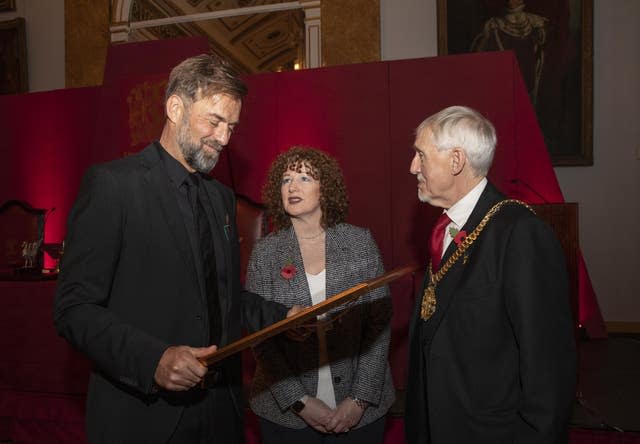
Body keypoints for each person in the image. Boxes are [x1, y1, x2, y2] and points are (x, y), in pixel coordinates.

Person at [53, 54, 298, 444]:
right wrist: (154, 360)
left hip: (222, 411)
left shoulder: (220, 199)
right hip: (145, 418)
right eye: (214, 121)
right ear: (174, 107)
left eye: (231, 127)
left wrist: (285, 316)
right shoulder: (113, 186)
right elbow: (74, 309)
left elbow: (224, 299)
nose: (223, 138)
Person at [404, 106, 576, 443]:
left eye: (421, 155)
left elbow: (548, 365)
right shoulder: (449, 228)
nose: (413, 167)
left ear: (456, 161)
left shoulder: (519, 233)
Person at [245, 146, 395, 443]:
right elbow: (260, 337)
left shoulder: (360, 242)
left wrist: (359, 400)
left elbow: (379, 326)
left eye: (304, 178)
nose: (292, 187)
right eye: (286, 180)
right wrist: (299, 401)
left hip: (359, 410)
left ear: (324, 188)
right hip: (285, 415)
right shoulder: (265, 252)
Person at [470, 0, 548, 105]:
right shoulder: (492, 27)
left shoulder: (537, 23)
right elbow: (476, 65)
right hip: (502, 92)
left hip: (530, 87)